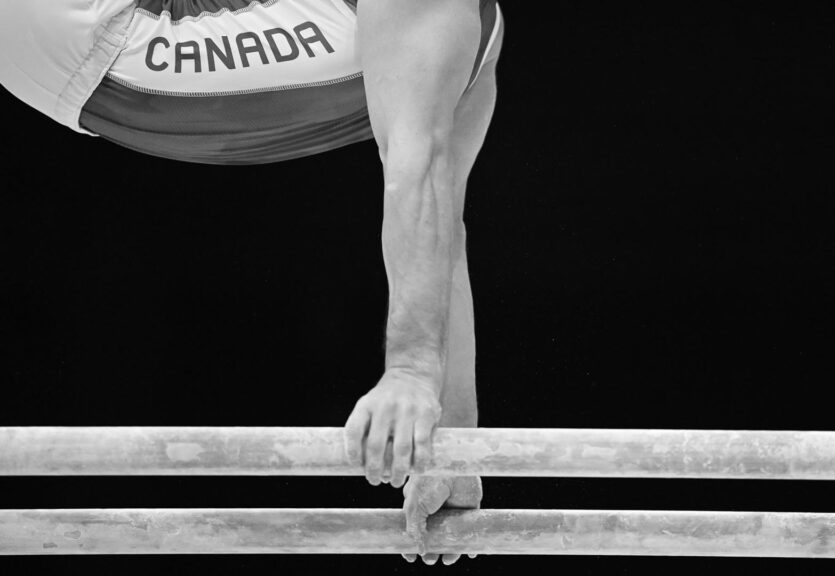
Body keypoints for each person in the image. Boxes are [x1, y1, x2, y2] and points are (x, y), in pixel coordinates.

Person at [0, 0, 504, 565]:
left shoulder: (474, 35)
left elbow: (438, 221)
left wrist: (455, 445)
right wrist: (409, 371)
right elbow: (416, 174)